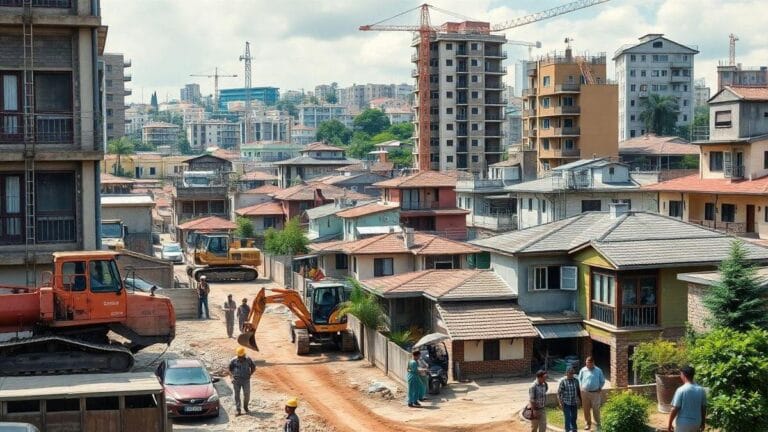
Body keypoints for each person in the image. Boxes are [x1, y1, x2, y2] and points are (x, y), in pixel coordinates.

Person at [668, 366, 706, 432]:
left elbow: (675, 408)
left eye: (680, 374)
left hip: (683, 424)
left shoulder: (681, 390)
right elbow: (703, 408)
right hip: (696, 423)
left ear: (683, 375)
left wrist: (669, 424)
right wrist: (703, 423)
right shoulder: (701, 390)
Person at [578, 356, 605, 431]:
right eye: (586, 363)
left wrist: (600, 387)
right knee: (586, 409)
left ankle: (598, 424)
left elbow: (602, 381)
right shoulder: (583, 370)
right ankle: (587, 423)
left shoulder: (598, 370)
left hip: (595, 393)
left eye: (589, 363)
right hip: (585, 393)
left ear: (593, 363)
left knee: (596, 409)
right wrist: (581, 388)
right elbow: (579, 379)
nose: (587, 365)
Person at [229, 346, 256, 416]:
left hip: (246, 380)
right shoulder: (233, 360)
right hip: (236, 380)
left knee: (247, 394)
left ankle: (246, 407)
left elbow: (253, 367)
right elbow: (230, 370)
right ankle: (238, 410)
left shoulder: (248, 360)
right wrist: (232, 378)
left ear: (244, 355)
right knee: (237, 395)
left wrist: (250, 374)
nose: (240, 358)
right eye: (239, 356)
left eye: (241, 356)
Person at [557, 366, 580, 432]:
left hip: (574, 403)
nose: (571, 375)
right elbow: (559, 393)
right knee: (568, 418)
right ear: (566, 373)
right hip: (566, 403)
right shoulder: (563, 382)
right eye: (569, 373)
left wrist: (579, 400)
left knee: (574, 418)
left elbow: (578, 392)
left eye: (572, 373)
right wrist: (560, 403)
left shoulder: (576, 381)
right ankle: (567, 430)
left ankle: (574, 430)